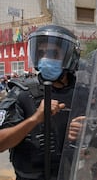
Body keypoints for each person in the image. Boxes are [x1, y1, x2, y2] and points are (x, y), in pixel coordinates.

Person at [0, 25, 81, 180]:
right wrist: (34, 119)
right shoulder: (21, 92)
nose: (45, 58)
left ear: (70, 55)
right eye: (41, 53)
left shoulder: (83, 92)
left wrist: (89, 131)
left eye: (53, 53)